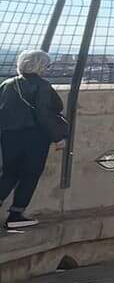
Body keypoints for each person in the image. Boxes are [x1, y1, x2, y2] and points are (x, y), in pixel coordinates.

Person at [0, 54, 67, 232]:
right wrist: (58, 138)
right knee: (30, 174)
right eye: (47, 65)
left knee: (9, 174)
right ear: (40, 66)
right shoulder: (42, 86)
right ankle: (16, 215)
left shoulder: (7, 84)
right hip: (35, 137)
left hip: (9, 136)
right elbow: (45, 114)